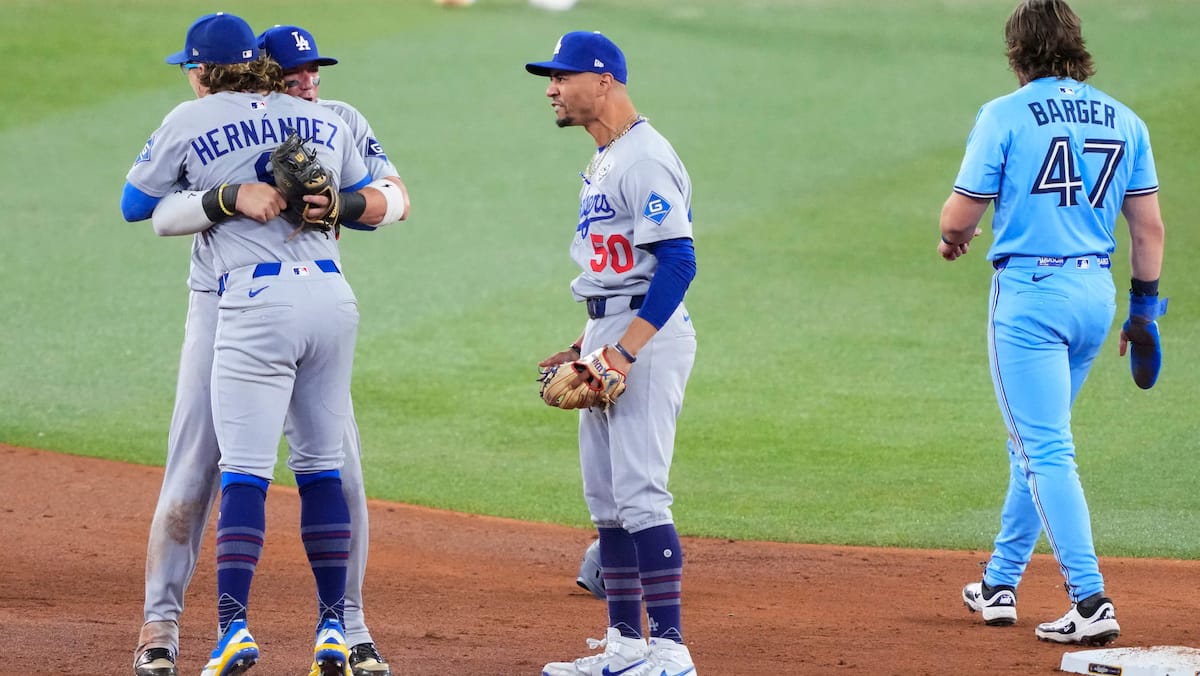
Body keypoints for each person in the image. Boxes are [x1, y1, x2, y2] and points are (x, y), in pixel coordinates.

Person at [121, 12, 406, 676]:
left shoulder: (334, 119)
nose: (308, 83)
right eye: (296, 73)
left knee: (333, 470)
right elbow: (152, 210)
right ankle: (160, 626)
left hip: (285, 304)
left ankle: (349, 628)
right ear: (264, 76)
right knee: (196, 467)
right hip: (231, 307)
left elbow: (392, 199)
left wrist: (341, 204)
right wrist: (225, 195)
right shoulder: (239, 122)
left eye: (315, 73)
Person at [939, 0, 1166, 646]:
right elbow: (1147, 229)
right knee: (1037, 442)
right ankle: (999, 583)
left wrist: (954, 240)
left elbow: (958, 218)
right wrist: (1144, 310)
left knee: (1044, 448)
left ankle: (1090, 599)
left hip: (1032, 298)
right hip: (1095, 296)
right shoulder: (1126, 119)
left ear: (1018, 53)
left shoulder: (1004, 115)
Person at [526, 31, 700, 676]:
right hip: (609, 327)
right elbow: (620, 262)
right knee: (606, 500)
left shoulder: (644, 159)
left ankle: (671, 650)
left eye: (560, 76)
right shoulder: (607, 157)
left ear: (603, 81)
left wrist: (622, 353)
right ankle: (627, 644)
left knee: (641, 495)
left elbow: (679, 263)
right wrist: (588, 343)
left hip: (645, 337)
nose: (550, 88)